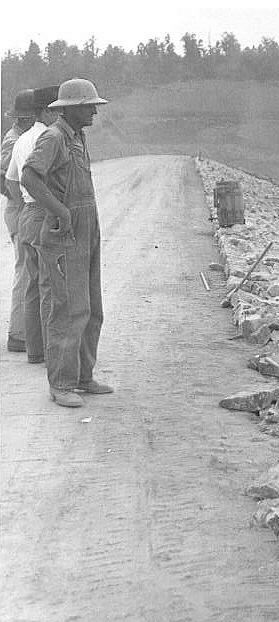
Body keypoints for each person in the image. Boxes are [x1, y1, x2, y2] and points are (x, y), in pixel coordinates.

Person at [21, 78, 111, 408]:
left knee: (91, 308)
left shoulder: (77, 136)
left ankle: (83, 377)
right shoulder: (54, 137)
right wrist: (60, 211)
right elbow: (30, 175)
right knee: (67, 311)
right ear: (70, 108)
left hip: (86, 230)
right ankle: (60, 383)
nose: (94, 112)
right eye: (88, 106)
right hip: (63, 234)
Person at [6, 86, 60, 364]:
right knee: (49, 283)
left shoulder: (21, 140)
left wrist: (25, 203)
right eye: (58, 110)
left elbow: (12, 181)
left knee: (31, 285)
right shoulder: (50, 138)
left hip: (26, 211)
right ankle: (52, 350)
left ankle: (35, 350)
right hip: (43, 212)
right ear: (48, 111)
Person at [2, 89, 36, 352]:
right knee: (25, 271)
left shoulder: (20, 137)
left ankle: (24, 333)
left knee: (27, 270)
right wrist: (23, 203)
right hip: (19, 210)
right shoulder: (15, 141)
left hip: (19, 209)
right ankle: (18, 335)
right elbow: (7, 180)